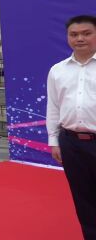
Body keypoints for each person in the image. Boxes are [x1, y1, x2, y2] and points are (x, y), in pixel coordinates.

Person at [46, 15, 96, 239]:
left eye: (86, 33)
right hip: (71, 143)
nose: (80, 39)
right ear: (67, 38)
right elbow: (54, 107)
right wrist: (54, 141)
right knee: (83, 199)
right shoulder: (58, 70)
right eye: (74, 34)